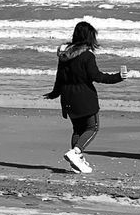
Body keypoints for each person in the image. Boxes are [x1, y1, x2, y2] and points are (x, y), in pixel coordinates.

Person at [44, 20, 125, 174]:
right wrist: (118, 77)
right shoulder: (87, 55)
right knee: (92, 127)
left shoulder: (65, 54)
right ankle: (76, 153)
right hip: (84, 97)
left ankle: (76, 163)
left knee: (77, 129)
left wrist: (54, 93)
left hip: (67, 98)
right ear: (89, 37)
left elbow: (59, 77)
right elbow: (97, 76)